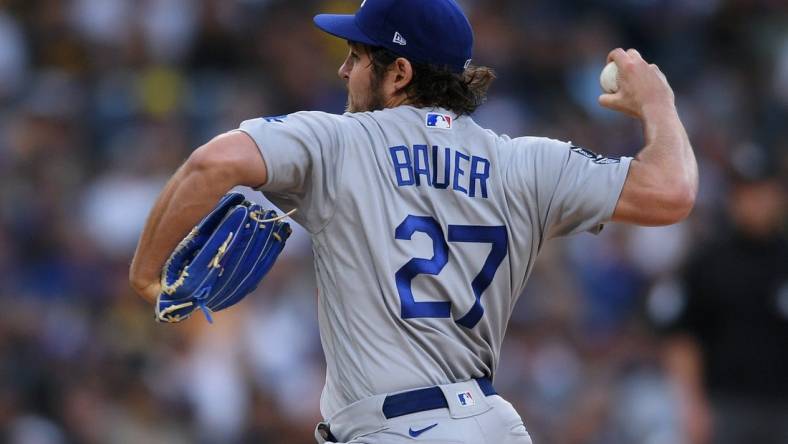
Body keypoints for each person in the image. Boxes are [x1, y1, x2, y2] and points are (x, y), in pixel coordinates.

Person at [129, 0, 697, 442]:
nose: (344, 69)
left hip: (396, 429)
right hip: (493, 425)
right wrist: (659, 104)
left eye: (358, 55)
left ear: (399, 73)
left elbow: (213, 162)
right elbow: (670, 192)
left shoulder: (340, 141)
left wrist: (146, 272)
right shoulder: (527, 161)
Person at [661, 168, 788, 444]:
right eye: (747, 193)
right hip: (724, 406)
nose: (757, 202)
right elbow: (683, 338)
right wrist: (691, 405)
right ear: (732, 199)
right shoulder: (707, 262)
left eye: (764, 192)